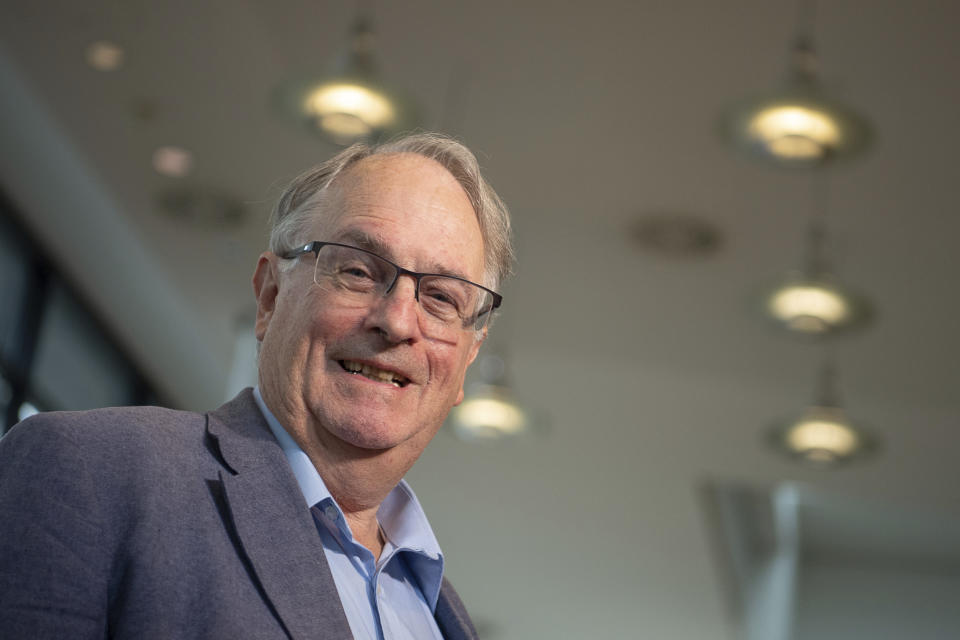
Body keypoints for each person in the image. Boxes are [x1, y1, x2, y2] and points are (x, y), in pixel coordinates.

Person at [0, 132, 514, 639]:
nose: (399, 321)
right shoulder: (90, 471)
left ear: (467, 359)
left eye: (442, 298)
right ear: (269, 296)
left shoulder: (442, 613)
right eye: (358, 270)